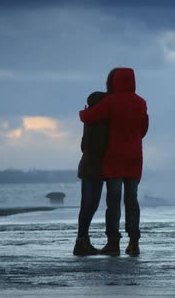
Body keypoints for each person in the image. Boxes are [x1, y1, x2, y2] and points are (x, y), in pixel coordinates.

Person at [79, 67, 148, 256]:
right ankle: (133, 242)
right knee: (132, 200)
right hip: (135, 158)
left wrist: (82, 113)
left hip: (115, 159)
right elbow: (143, 129)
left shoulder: (111, 101)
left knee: (114, 201)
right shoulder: (141, 102)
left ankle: (113, 243)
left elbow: (89, 117)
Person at [73, 91, 108, 256]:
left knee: (86, 206)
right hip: (94, 168)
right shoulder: (98, 121)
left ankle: (82, 241)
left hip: (87, 167)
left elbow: (84, 145)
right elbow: (100, 146)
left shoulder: (89, 119)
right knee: (90, 205)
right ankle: (82, 241)